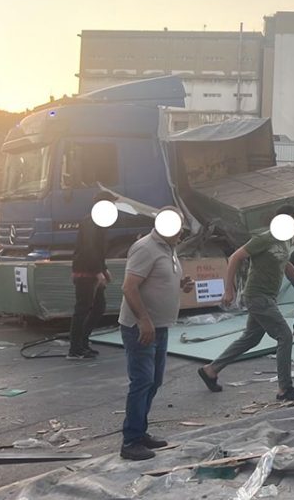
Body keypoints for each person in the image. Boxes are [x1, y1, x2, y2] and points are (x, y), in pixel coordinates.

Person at [198, 206, 294, 401]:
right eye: (292, 219)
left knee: (251, 338)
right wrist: (229, 290)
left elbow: (285, 263)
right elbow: (235, 257)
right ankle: (285, 388)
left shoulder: (285, 240)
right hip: (257, 295)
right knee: (285, 336)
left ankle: (211, 370)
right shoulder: (264, 238)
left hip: (268, 296)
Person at [118, 208, 195, 460]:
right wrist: (143, 320)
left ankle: (140, 433)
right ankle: (131, 441)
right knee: (142, 381)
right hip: (141, 327)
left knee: (154, 381)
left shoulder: (169, 248)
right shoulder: (145, 248)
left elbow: (158, 280)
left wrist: (181, 285)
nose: (181, 231)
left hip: (160, 326)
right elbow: (129, 287)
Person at [67, 191, 117, 360]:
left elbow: (98, 250)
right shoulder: (91, 222)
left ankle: (83, 342)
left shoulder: (99, 222)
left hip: (93, 270)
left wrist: (104, 269)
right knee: (83, 309)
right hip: (85, 272)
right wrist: (98, 272)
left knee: (98, 308)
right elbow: (89, 248)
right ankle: (75, 349)